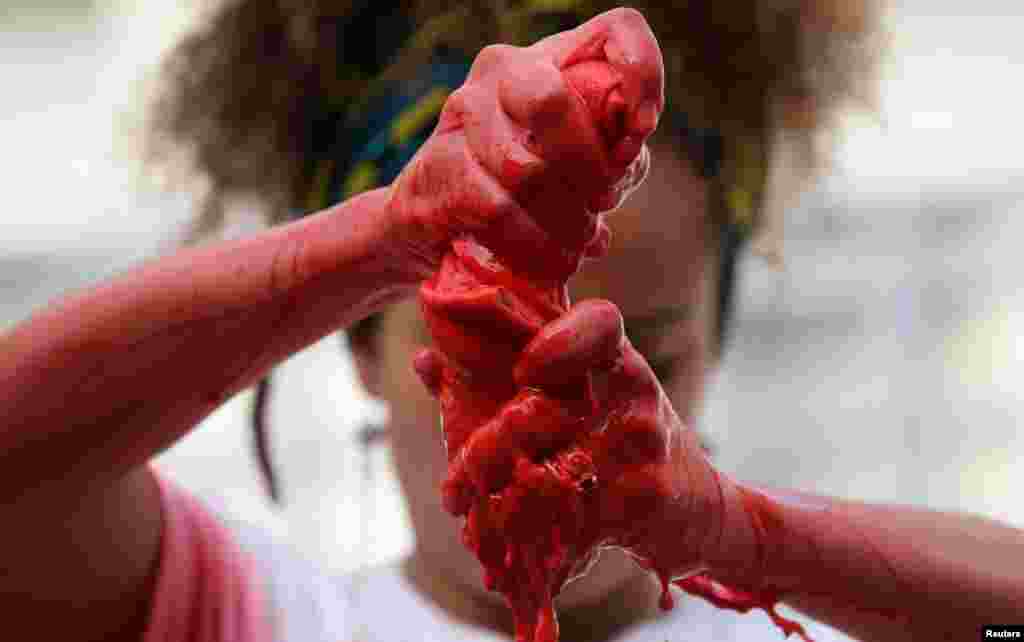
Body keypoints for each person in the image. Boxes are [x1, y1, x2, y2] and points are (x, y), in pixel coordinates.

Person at [1, 3, 1021, 642]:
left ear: (719, 327)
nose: (566, 419)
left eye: (649, 353)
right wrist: (381, 238)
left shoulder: (839, 620)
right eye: (478, 355)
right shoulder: (266, 620)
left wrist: (738, 534)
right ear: (358, 340)